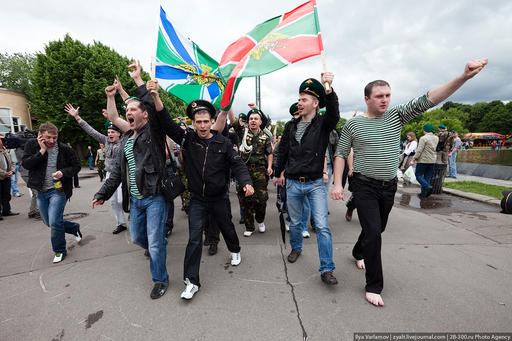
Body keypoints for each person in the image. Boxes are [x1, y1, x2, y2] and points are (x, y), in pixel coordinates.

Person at [331, 58, 488, 306]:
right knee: (373, 232)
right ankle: (374, 285)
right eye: (379, 95)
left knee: (377, 229)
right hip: (364, 184)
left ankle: (358, 251)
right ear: (367, 99)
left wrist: (463, 77)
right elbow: (340, 153)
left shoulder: (396, 116)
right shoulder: (353, 124)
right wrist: (338, 185)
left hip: (388, 185)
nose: (385, 99)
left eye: (388, 95)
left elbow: (429, 98)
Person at [143, 77, 254, 301]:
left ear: (212, 121)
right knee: (194, 238)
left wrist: (246, 182)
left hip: (219, 198)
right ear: (193, 123)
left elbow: (238, 164)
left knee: (227, 228)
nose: (202, 125)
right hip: (197, 200)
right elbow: (165, 121)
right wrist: (155, 95)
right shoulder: (187, 138)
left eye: (206, 121)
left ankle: (235, 249)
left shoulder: (223, 143)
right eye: (198, 121)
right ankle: (191, 281)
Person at [92, 77, 171, 299]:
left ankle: (160, 279)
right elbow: (117, 172)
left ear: (144, 114)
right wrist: (102, 193)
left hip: (155, 197)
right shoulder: (127, 137)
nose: (129, 111)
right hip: (135, 200)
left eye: (134, 108)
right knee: (137, 238)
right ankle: (158, 245)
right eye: (128, 109)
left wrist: (140, 83)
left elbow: (156, 115)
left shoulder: (153, 133)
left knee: (154, 245)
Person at [273, 72, 340, 286]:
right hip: (292, 183)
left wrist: (328, 88)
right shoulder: (290, 126)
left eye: (304, 99)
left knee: (321, 226)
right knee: (295, 222)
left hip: (315, 185)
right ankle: (296, 248)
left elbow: (334, 113)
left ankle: (327, 269)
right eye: (299, 98)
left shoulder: (323, 124)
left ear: (315, 103)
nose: (299, 103)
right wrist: (277, 173)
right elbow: (282, 151)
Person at [22, 122, 82, 263]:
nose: (52, 141)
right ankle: (74, 227)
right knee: (49, 222)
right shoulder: (31, 145)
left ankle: (59, 250)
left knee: (55, 222)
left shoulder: (64, 149)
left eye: (54, 138)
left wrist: (63, 172)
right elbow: (26, 164)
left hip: (58, 190)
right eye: (48, 137)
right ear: (40, 136)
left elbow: (76, 166)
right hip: (40, 191)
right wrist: (41, 151)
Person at [65, 104, 127, 234]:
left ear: (119, 134)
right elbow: (91, 131)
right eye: (108, 132)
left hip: (122, 174)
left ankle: (134, 215)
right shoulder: (105, 140)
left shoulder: (124, 141)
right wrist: (77, 118)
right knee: (113, 202)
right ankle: (121, 223)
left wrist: (113, 117)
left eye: (113, 132)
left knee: (122, 200)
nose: (110, 134)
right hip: (110, 175)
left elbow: (128, 129)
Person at [229, 105, 273, 237]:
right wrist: (229, 105)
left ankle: (260, 220)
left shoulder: (265, 136)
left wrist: (270, 166)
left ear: (260, 121)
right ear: (248, 121)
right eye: (251, 118)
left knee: (261, 200)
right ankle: (249, 226)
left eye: (256, 118)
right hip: (244, 171)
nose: (253, 120)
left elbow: (269, 153)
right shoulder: (243, 132)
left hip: (260, 171)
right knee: (245, 199)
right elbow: (233, 120)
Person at [410, 124, 439, 198]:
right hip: (432, 160)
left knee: (418, 175)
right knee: (427, 177)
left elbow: (419, 150)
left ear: (425, 130)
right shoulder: (436, 138)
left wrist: (413, 159)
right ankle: (424, 194)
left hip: (423, 160)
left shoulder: (423, 138)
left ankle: (427, 186)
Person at [0, 135, 18, 220]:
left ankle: (6, 211)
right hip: (2, 176)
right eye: (0, 139)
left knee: (6, 195)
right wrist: (5, 173)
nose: (2, 140)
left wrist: (12, 171)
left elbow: (12, 162)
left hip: (7, 176)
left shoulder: (5, 150)